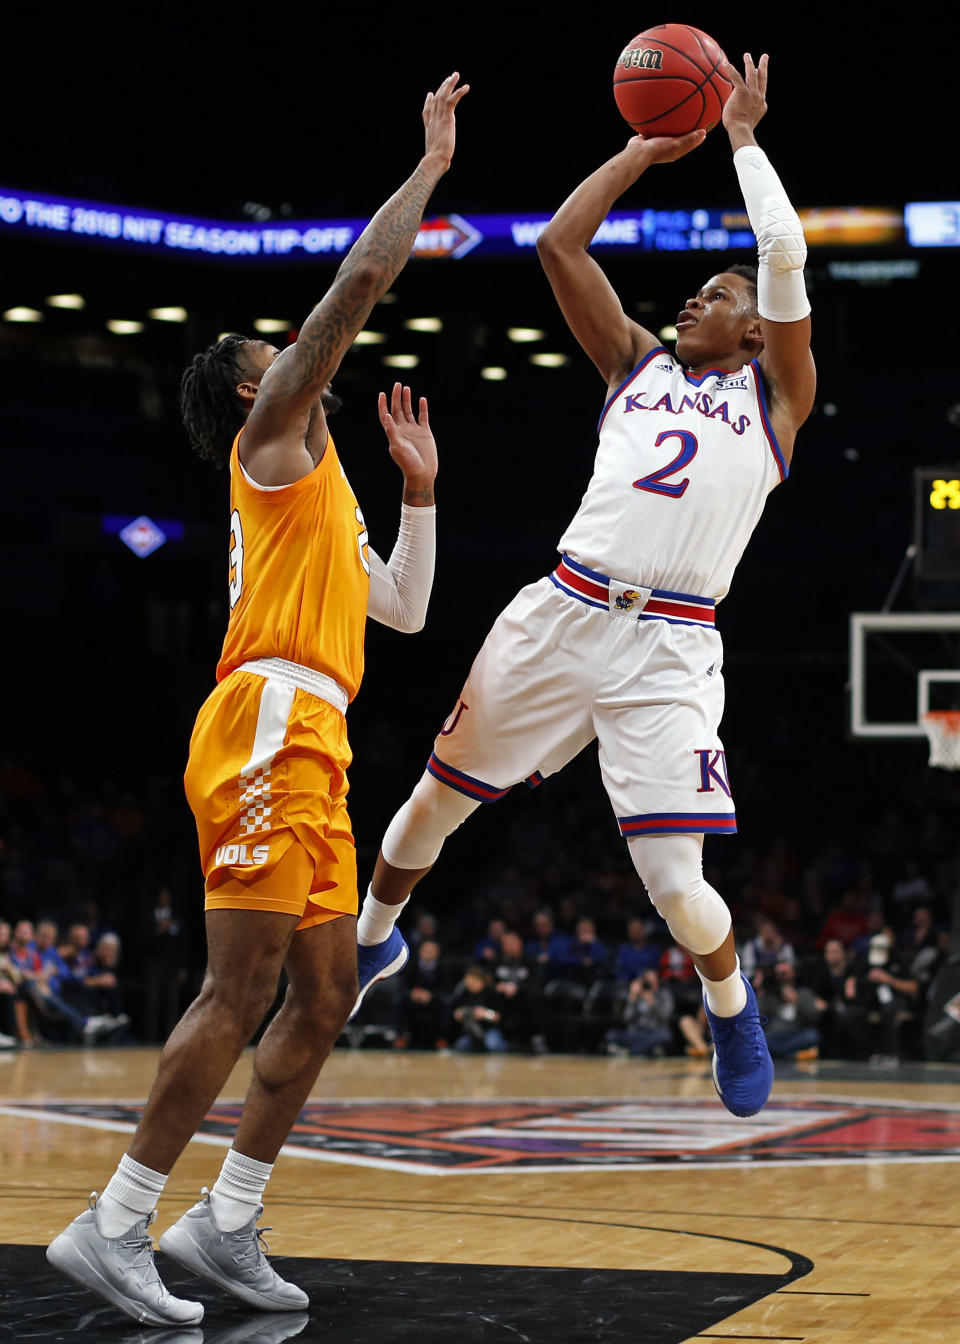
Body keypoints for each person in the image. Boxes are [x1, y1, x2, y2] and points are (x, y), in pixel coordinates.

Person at [47, 72, 468, 1328]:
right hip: (267, 721)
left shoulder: (327, 487)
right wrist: (430, 169)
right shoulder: (273, 444)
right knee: (237, 992)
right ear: (251, 388)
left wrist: (424, 492)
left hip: (319, 727)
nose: (293, 353)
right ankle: (113, 1222)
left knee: (332, 989)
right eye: (269, 353)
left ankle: (225, 1219)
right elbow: (352, 293)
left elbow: (403, 609)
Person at [353, 53, 814, 1124]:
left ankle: (732, 1007)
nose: (694, 298)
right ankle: (376, 938)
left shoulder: (779, 400)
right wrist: (640, 150)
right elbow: (560, 244)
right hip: (560, 611)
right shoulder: (636, 367)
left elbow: (780, 248)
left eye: (717, 295)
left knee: (677, 888)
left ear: (752, 332)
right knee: (430, 807)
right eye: (695, 292)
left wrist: (741, 138)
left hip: (672, 647)